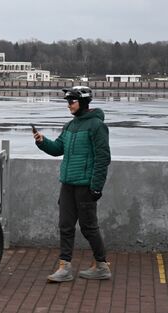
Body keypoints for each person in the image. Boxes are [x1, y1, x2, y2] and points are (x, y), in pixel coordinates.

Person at [33, 86, 111, 282]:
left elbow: (103, 158)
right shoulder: (70, 126)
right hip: (67, 184)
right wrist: (43, 141)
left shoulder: (96, 126)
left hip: (86, 185)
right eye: (67, 102)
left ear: (83, 102)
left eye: (72, 101)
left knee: (88, 227)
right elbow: (58, 148)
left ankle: (101, 265)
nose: (68, 105)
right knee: (65, 226)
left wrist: (96, 186)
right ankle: (64, 268)